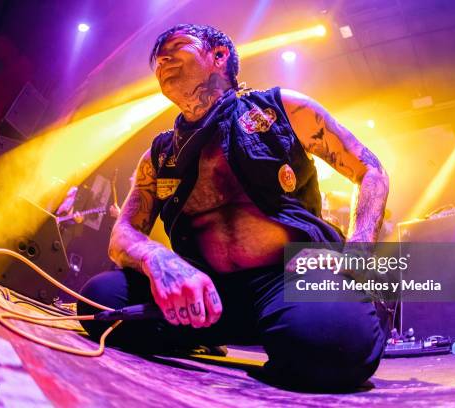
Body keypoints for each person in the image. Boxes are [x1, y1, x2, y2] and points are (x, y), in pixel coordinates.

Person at [77, 24, 389, 391]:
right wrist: (159, 259)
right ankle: (207, 333)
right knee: (98, 302)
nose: (162, 60)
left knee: (333, 344)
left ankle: (311, 322)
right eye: (158, 59)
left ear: (219, 56)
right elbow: (123, 233)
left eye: (177, 47)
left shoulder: (283, 108)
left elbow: (370, 169)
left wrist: (359, 247)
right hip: (206, 292)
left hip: (289, 279)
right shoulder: (159, 155)